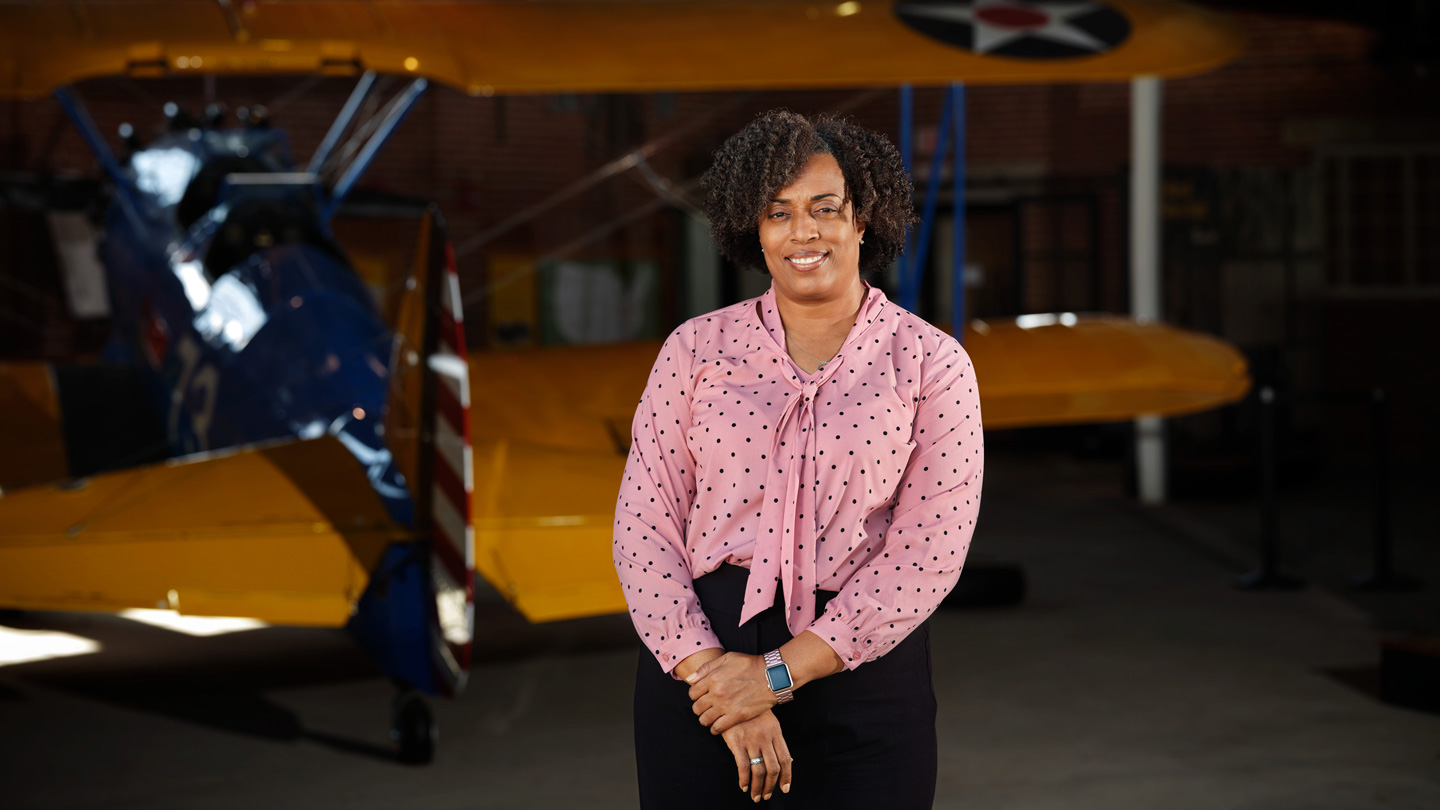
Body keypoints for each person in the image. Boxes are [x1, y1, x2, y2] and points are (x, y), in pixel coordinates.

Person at [614, 110, 984, 809]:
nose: (803, 231)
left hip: (862, 667)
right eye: (778, 212)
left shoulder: (932, 363)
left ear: (863, 219)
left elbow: (928, 553)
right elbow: (644, 526)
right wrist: (722, 684)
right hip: (700, 663)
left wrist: (773, 676)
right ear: (754, 229)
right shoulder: (693, 350)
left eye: (825, 208)